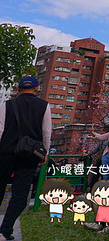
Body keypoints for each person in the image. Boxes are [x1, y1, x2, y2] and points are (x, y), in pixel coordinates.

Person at [0, 76, 52, 241]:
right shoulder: (44, 106)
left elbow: (0, 130)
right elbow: (46, 132)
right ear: (37, 88)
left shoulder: (6, 105)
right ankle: (4, 231)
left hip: (5, 153)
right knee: (21, 194)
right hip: (28, 155)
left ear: (17, 88)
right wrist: (44, 153)